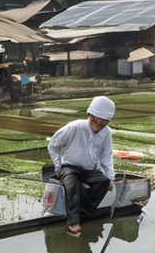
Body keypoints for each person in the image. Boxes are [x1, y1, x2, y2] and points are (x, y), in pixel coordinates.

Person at [47, 96, 116, 235]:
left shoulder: (106, 132)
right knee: (72, 185)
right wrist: (58, 167)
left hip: (91, 170)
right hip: (70, 167)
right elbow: (53, 145)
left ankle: (83, 214)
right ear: (89, 115)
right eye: (95, 120)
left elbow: (106, 157)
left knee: (103, 182)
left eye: (103, 122)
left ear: (107, 122)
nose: (98, 124)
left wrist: (110, 179)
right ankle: (73, 222)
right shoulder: (75, 126)